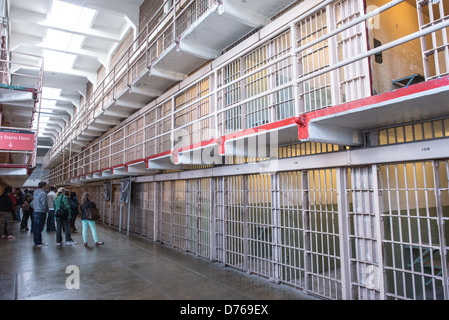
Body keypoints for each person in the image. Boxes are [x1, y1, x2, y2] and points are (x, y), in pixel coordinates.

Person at [31, 181, 49, 247]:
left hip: (35, 211)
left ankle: (37, 241)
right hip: (41, 212)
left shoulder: (35, 193)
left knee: (36, 227)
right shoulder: (43, 193)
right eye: (46, 185)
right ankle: (38, 242)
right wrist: (47, 210)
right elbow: (44, 203)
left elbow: (33, 202)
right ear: (43, 186)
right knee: (39, 227)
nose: (46, 186)